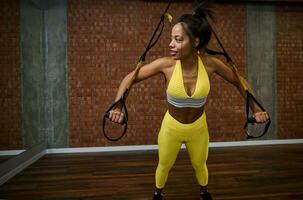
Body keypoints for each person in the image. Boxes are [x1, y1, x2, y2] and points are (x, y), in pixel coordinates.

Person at [108, 5, 269, 200]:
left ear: (196, 41)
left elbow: (239, 81)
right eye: (171, 39)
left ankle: (204, 192)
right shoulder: (166, 65)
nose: (171, 44)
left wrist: (256, 109)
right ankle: (158, 194)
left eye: (178, 39)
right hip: (171, 128)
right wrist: (118, 106)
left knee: (200, 165)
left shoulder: (210, 64)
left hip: (198, 128)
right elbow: (129, 78)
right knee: (164, 165)